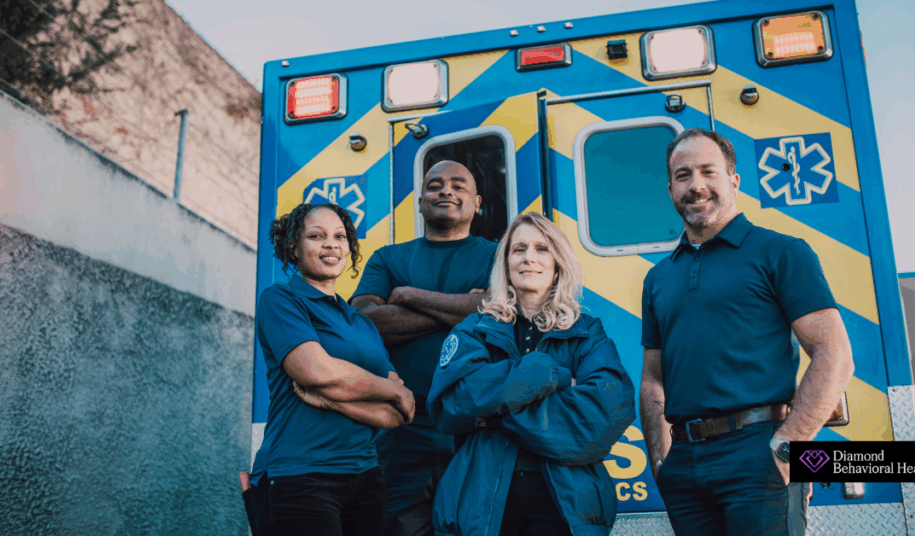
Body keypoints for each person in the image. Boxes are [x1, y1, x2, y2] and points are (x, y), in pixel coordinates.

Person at [638, 128, 855, 536]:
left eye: (708, 171)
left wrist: (788, 448)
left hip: (759, 450)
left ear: (733, 181)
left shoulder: (782, 252)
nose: (696, 185)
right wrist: (662, 461)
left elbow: (834, 354)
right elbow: (653, 378)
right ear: (670, 189)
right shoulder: (658, 279)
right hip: (684, 462)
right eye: (683, 176)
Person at [427, 212, 636, 536]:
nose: (529, 258)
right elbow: (453, 403)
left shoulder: (586, 332)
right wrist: (550, 376)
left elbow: (602, 413)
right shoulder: (475, 330)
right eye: (518, 249)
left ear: (557, 263)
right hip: (480, 508)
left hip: (566, 509)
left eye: (541, 249)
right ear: (506, 262)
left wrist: (493, 415)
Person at [248, 203, 416, 536]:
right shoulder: (280, 300)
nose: (331, 244)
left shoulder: (361, 323)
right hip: (299, 477)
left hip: (366, 477)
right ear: (294, 248)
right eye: (316, 236)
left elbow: (401, 412)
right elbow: (315, 371)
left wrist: (333, 401)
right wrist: (391, 389)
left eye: (340, 236)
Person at [350, 160, 498, 535]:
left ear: (477, 202)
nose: (446, 191)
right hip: (402, 424)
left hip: (477, 424)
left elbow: (501, 314)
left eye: (458, 185)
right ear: (419, 201)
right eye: (435, 185)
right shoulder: (388, 257)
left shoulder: (497, 255)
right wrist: (466, 308)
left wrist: (410, 297)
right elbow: (364, 323)